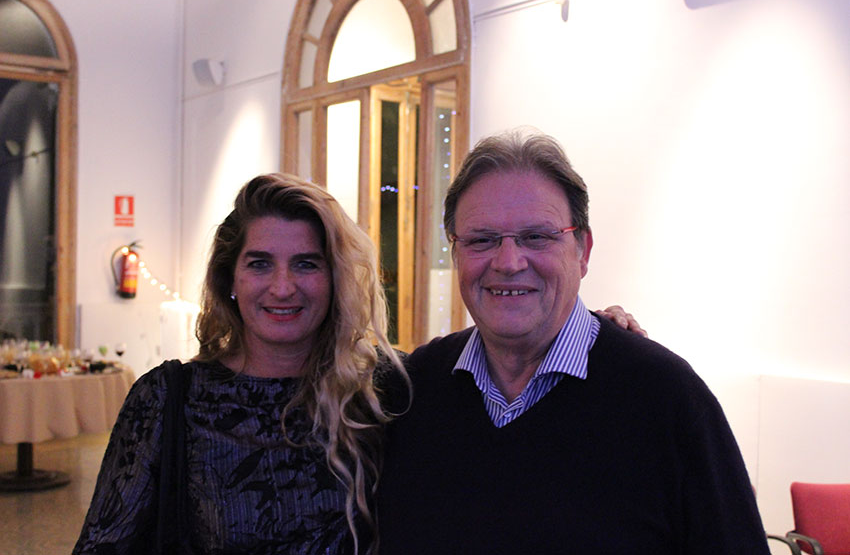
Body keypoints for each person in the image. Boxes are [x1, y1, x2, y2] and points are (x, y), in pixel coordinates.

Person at [376, 130, 770, 554]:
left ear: (583, 250)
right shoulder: (412, 390)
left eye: (537, 237)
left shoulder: (667, 398)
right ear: (456, 253)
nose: (508, 262)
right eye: (481, 239)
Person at [73, 173, 408, 555]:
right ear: (230, 278)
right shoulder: (168, 399)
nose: (283, 287)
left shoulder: (382, 391)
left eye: (306, 264)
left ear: (335, 279)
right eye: (260, 264)